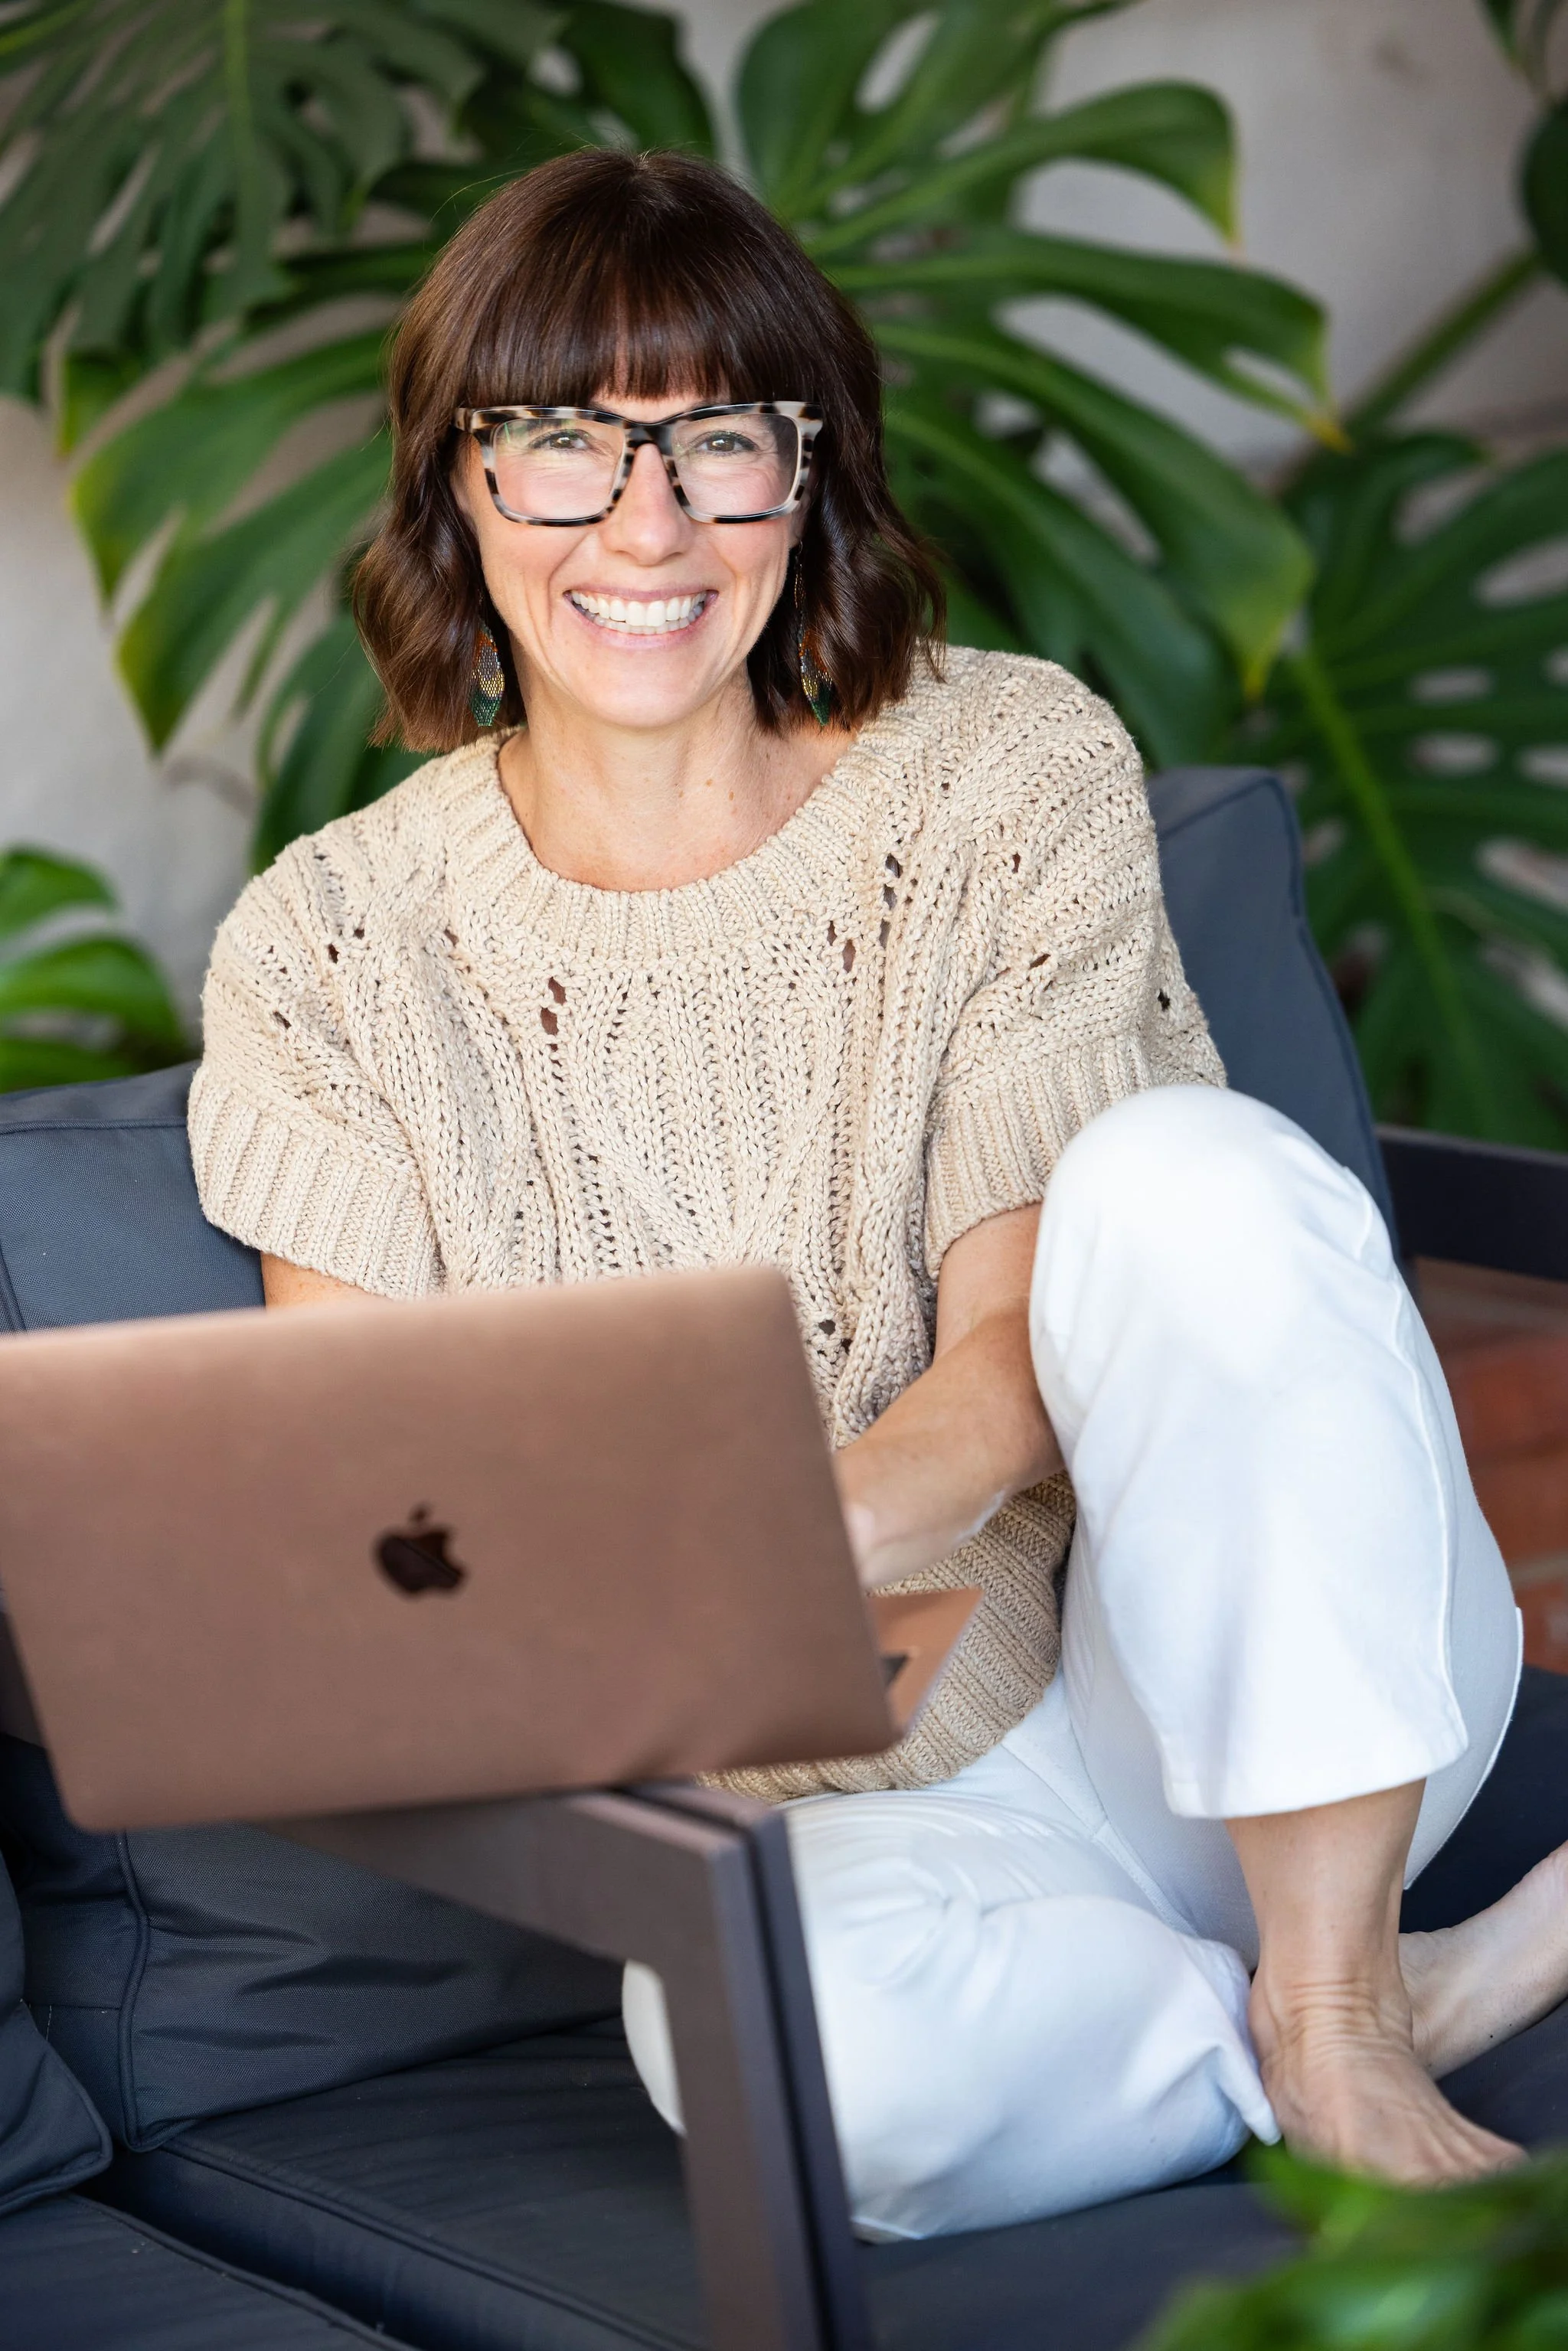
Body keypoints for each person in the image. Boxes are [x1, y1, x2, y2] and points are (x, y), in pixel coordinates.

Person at [188, 146, 1568, 2242]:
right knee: (802, 2080)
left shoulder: (1003, 771)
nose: (644, 527)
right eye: (564, 447)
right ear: (457, 486)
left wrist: (772, 1542)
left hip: (1221, 1670)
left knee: (1191, 1176)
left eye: (717, 442)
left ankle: (1336, 1980)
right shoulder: (328, 951)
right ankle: (1398, 1998)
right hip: (852, 1835)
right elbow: (396, 1496)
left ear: (805, 476)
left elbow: (1020, 1353)